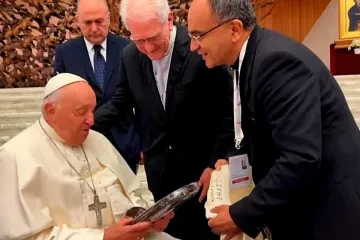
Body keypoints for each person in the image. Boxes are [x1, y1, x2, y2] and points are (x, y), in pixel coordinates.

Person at [187, 0, 360, 240]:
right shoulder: (251, 57)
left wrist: (241, 215)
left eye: (198, 36)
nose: (193, 47)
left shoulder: (276, 63)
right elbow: (264, 128)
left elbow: (300, 158)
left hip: (325, 213)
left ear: (235, 29)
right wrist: (232, 159)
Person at [92, 0, 234, 239]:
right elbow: (120, 103)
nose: (147, 48)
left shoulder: (200, 48)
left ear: (168, 19)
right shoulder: (129, 56)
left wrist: (215, 163)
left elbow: (227, 112)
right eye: (139, 40)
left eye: (153, 38)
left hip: (202, 174)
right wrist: (85, 123)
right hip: (160, 176)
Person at [0, 73, 175, 240]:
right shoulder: (16, 156)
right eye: (81, 111)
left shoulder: (97, 140)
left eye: (92, 110)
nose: (91, 120)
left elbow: (129, 194)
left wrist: (145, 217)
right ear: (51, 111)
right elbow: (27, 236)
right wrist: (103, 237)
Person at [53, 0, 142, 173]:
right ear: (78, 20)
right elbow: (58, 98)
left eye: (99, 21)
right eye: (87, 22)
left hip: (124, 146)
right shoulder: (65, 53)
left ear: (109, 18)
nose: (94, 28)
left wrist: (144, 143)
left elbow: (141, 100)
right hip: (82, 146)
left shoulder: (129, 49)